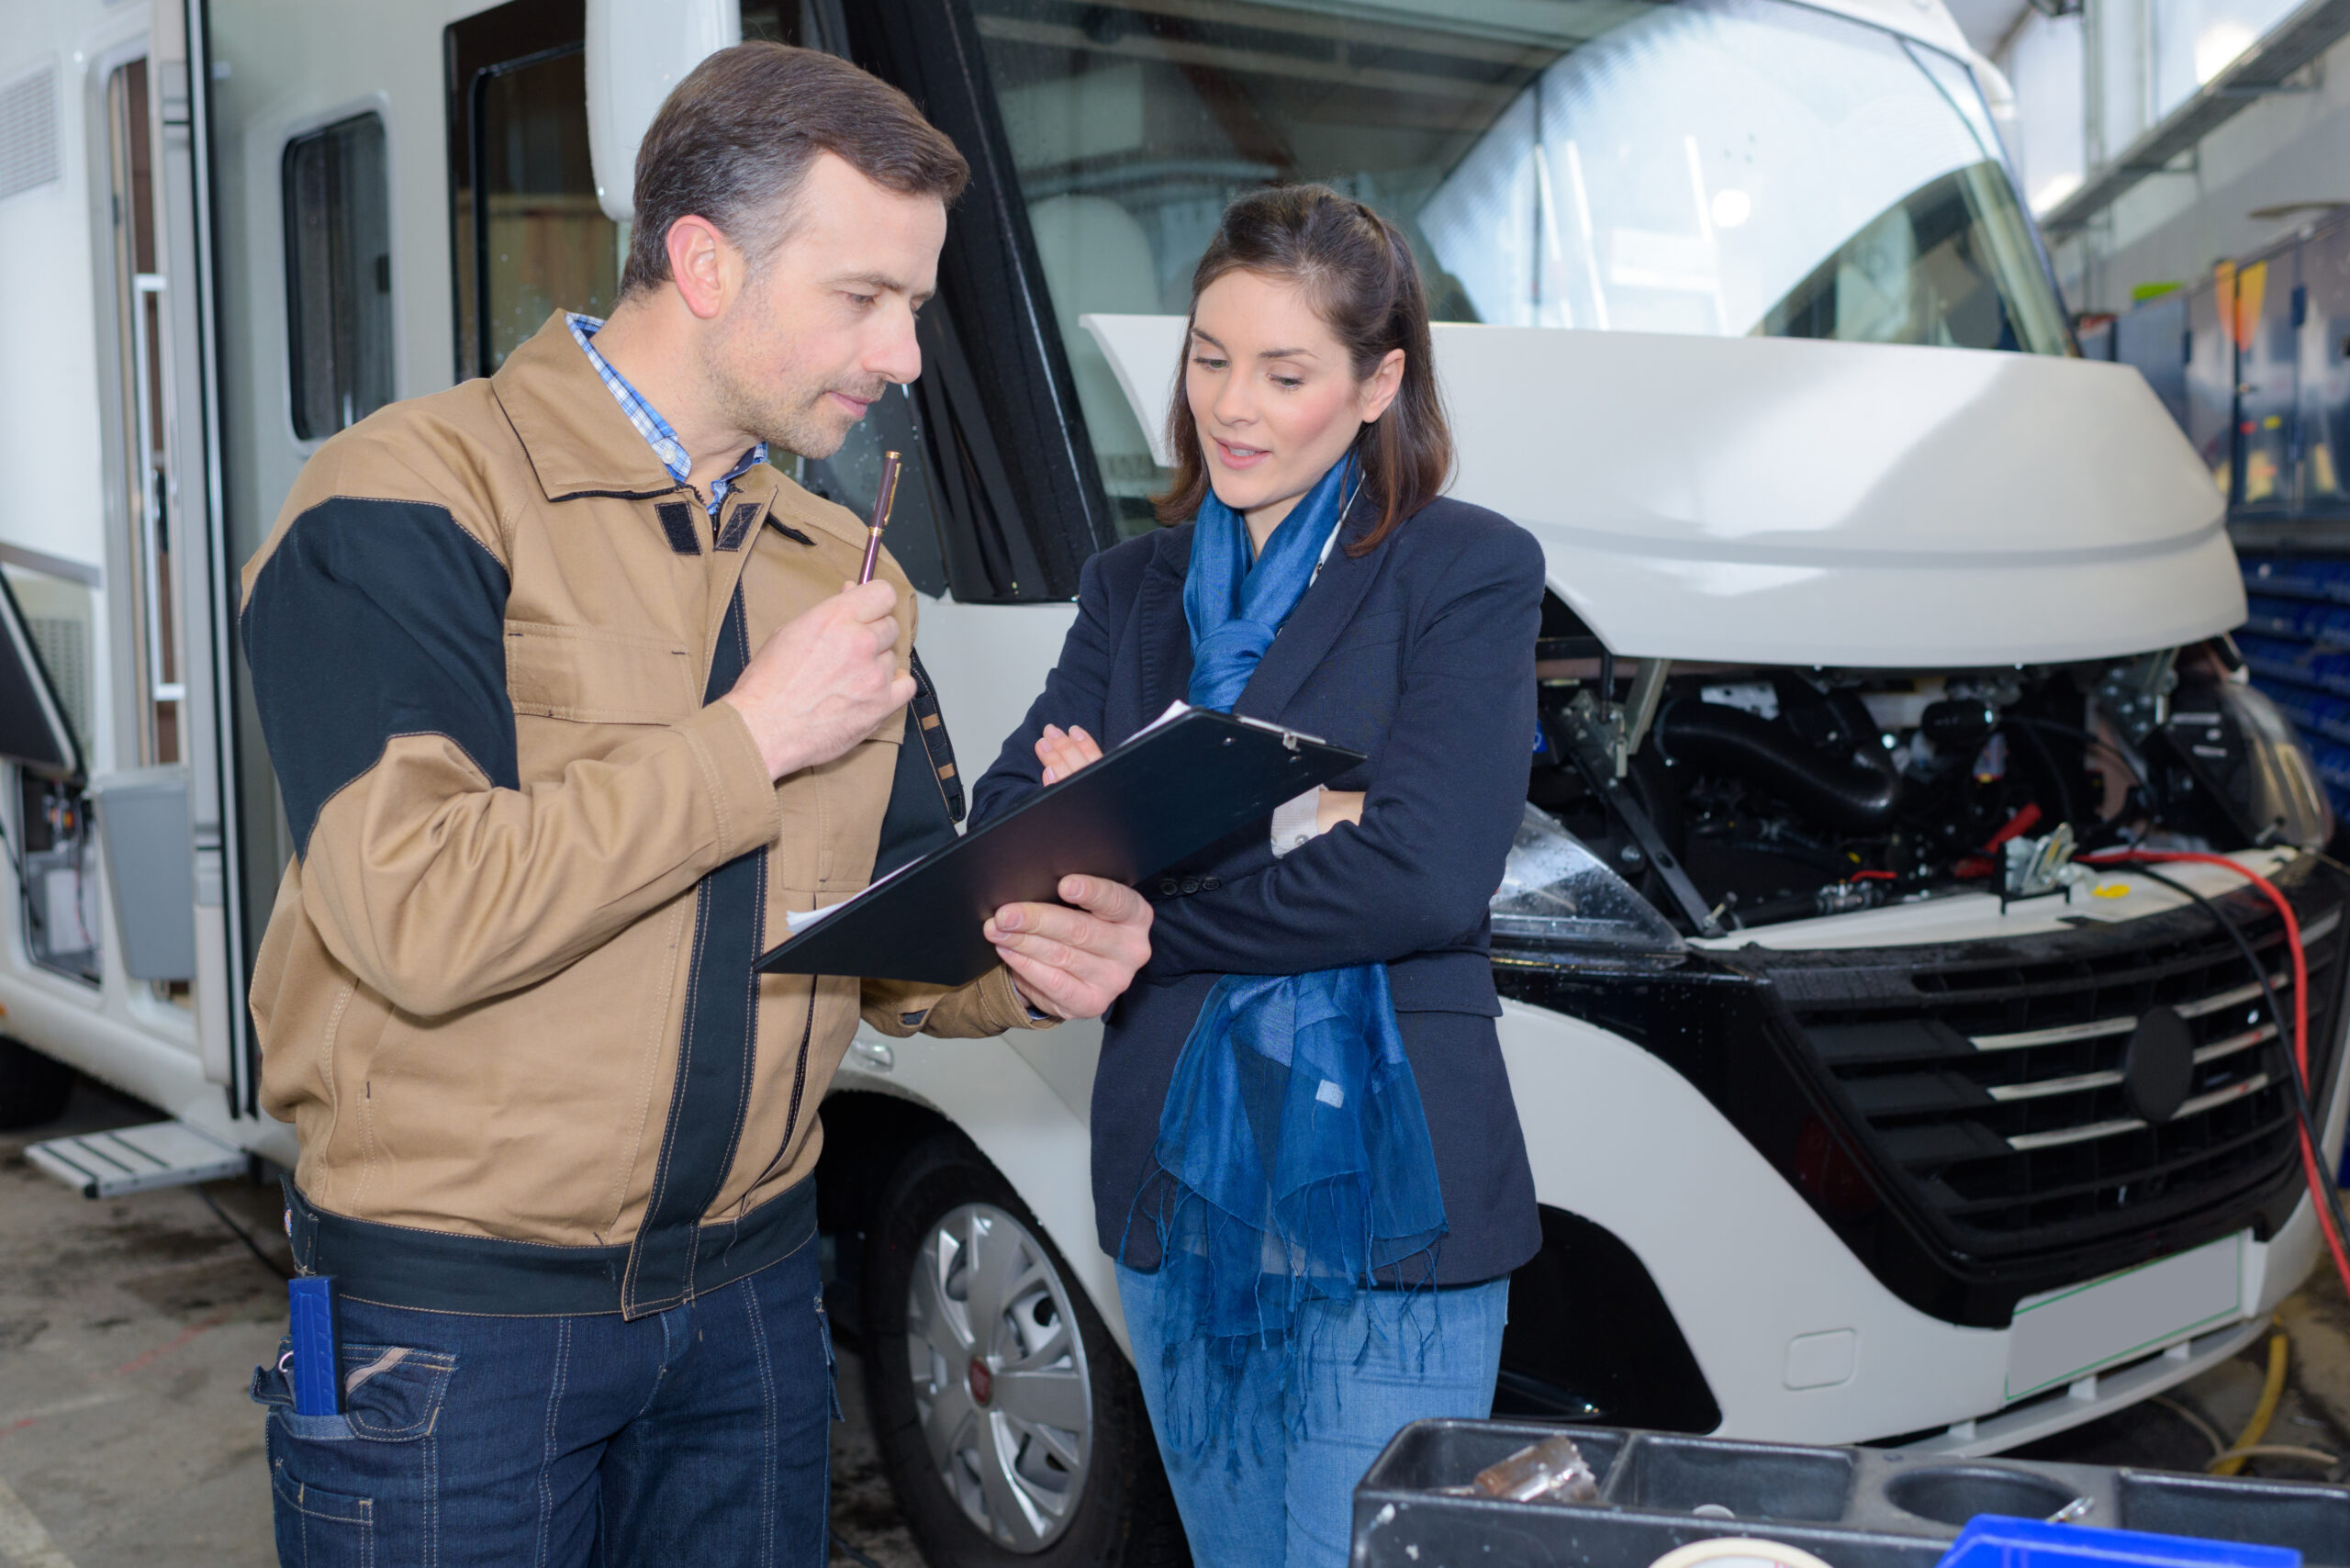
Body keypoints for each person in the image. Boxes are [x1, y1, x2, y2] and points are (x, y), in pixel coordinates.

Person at [237, 44, 1151, 1567]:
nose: (904, 358)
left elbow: (886, 939)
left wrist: (1042, 953)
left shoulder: (834, 563)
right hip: (456, 1331)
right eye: (864, 297)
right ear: (704, 262)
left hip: (751, 1319)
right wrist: (750, 738)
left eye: (914, 307)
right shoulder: (401, 498)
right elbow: (416, 912)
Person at [970, 185, 1546, 1568]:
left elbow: (1424, 876)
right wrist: (1298, 822)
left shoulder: (1462, 569)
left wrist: (1137, 893)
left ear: (1377, 382)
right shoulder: (1131, 590)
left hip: (1395, 1201)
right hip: (1177, 1196)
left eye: (1285, 372)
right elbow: (1004, 839)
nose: (1233, 405)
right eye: (1210, 357)